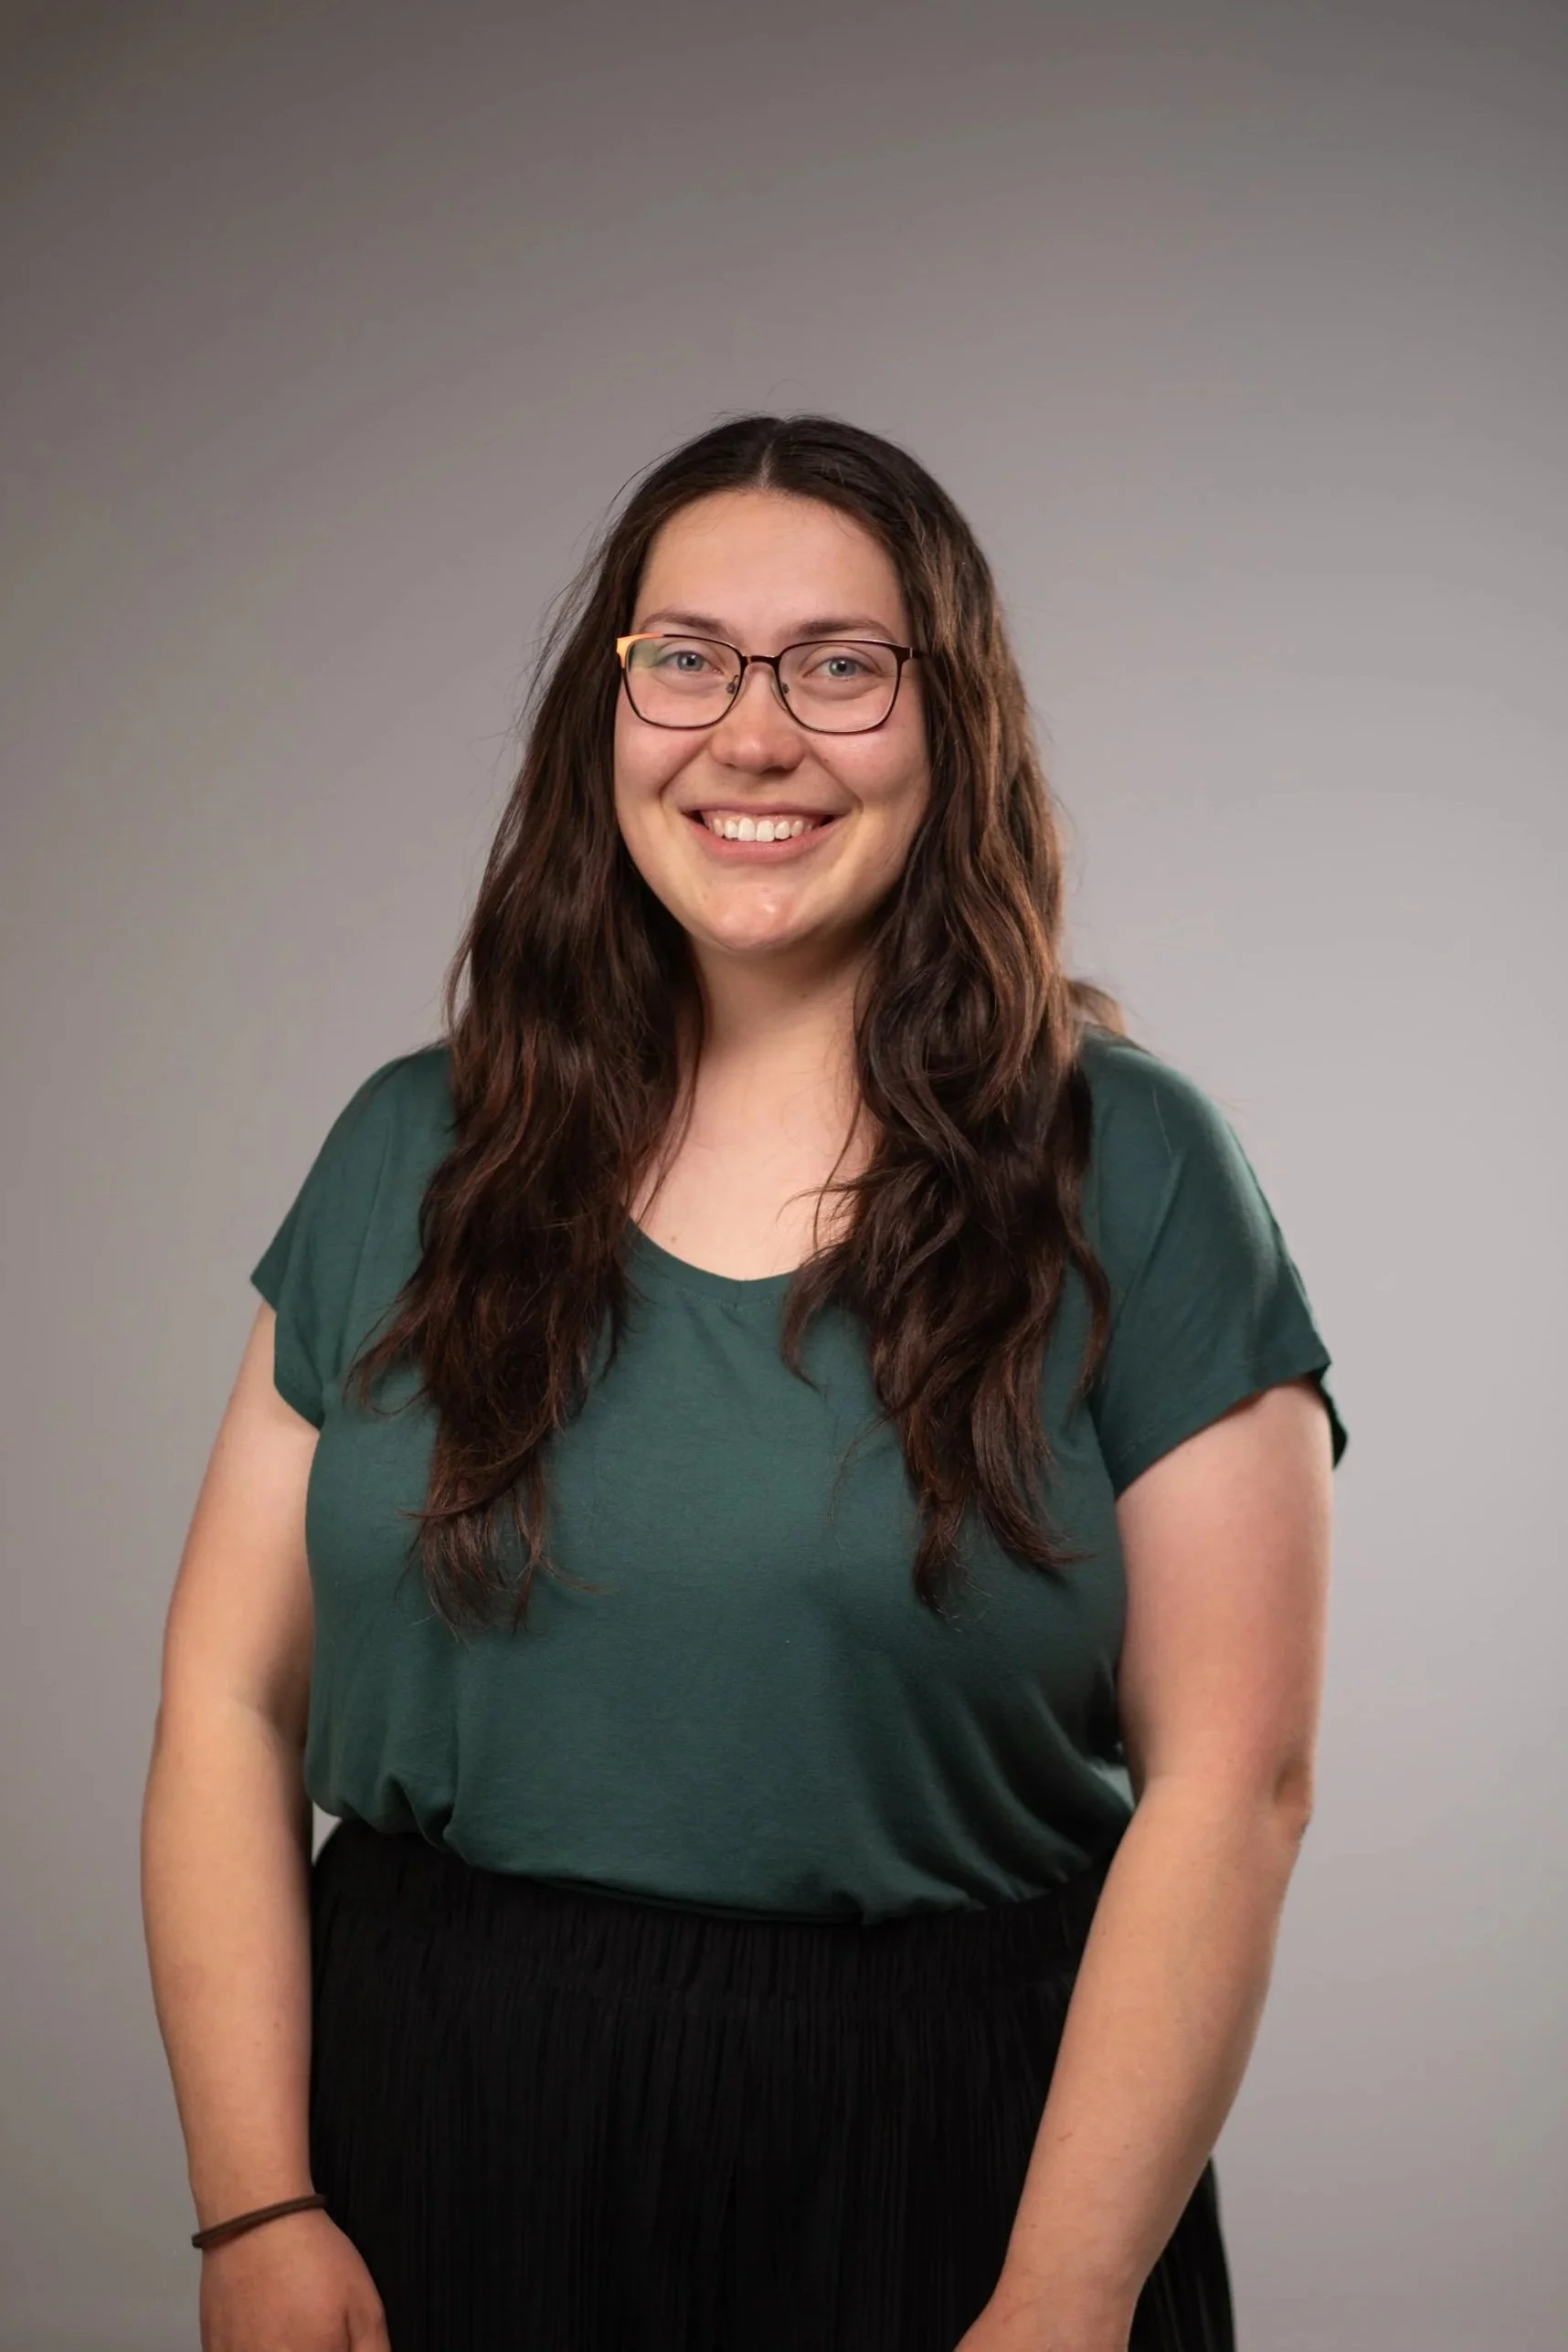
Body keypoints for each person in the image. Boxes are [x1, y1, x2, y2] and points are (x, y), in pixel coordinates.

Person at [141, 412, 1347, 2352]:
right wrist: (252, 2207)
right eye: (684, 657)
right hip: (427, 2132)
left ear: (952, 724)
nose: (752, 734)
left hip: (955, 2169)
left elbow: (1240, 1784)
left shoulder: (1138, 1171)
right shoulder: (407, 1151)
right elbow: (220, 1699)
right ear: (605, 710)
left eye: (840, 667)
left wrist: (1063, 2294)